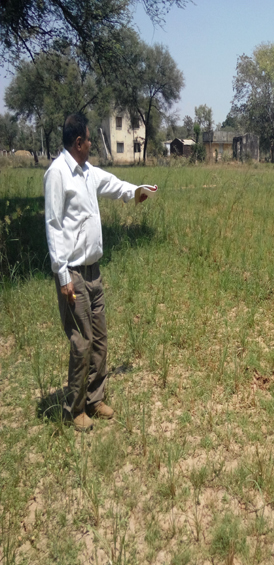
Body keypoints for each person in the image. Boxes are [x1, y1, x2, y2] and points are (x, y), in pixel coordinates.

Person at [44, 113, 153, 431]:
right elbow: (53, 225)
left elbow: (113, 184)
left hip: (93, 272)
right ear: (78, 142)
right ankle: (75, 408)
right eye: (90, 139)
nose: (92, 144)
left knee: (100, 338)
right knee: (81, 343)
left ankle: (95, 398)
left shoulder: (88, 172)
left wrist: (137, 190)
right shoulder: (58, 174)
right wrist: (62, 274)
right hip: (73, 274)